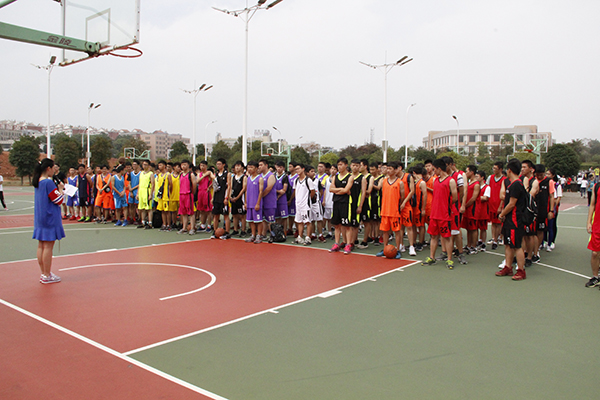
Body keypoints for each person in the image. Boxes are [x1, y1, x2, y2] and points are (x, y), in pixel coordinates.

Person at [32, 158, 65, 284]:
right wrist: (61, 189)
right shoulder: (48, 183)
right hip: (50, 217)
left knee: (41, 245)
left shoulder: (38, 182)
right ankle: (46, 274)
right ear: (48, 168)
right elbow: (58, 200)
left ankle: (44, 273)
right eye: (53, 168)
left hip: (40, 217)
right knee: (48, 246)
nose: (54, 170)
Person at [422, 158, 458, 269]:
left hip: (445, 214)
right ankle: (432, 257)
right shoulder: (435, 180)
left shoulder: (451, 181)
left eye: (434, 169)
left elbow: (455, 197)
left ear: (439, 168)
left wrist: (445, 205)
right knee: (434, 236)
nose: (433, 171)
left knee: (447, 237)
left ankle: (449, 259)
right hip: (434, 214)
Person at [496, 160, 528, 280]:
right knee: (508, 244)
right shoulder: (512, 184)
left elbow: (511, 204)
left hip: (515, 220)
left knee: (517, 246)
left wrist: (502, 214)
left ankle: (521, 270)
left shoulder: (516, 185)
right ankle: (508, 267)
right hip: (509, 220)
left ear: (509, 170)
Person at [376, 161, 403, 259]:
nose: (388, 170)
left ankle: (398, 249)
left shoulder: (399, 182)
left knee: (397, 231)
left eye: (390, 168)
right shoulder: (384, 181)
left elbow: (402, 196)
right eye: (387, 168)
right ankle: (385, 249)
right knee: (385, 231)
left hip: (395, 211)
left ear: (395, 170)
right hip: (385, 210)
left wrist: (398, 206)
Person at [328, 158, 354, 254]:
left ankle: (348, 244)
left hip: (345, 203)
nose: (339, 166)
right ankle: (336, 244)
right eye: (338, 164)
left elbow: (346, 189)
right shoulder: (335, 177)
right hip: (336, 202)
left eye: (341, 164)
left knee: (347, 225)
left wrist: (338, 190)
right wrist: (341, 190)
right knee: (336, 225)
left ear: (346, 165)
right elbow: (331, 189)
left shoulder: (350, 177)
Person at [293, 163, 316, 245]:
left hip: (305, 205)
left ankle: (308, 238)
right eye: (296, 169)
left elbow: (312, 191)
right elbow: (295, 191)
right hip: (298, 204)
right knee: (299, 221)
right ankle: (300, 237)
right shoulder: (296, 180)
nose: (297, 170)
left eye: (298, 168)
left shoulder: (308, 180)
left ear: (303, 169)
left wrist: (308, 199)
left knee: (308, 221)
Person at [460, 165, 480, 254]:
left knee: (473, 228)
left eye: (467, 171)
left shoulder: (476, 184)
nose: (465, 173)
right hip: (467, 209)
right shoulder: (468, 182)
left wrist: (465, 205)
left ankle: (474, 246)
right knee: (468, 228)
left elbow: (473, 198)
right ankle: (468, 245)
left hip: (473, 209)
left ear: (472, 172)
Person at [487, 161, 505, 249]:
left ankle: (500, 237)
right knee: (493, 222)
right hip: (491, 203)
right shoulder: (490, 178)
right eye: (493, 168)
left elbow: (504, 194)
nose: (494, 170)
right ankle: (494, 237)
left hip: (499, 203)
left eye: (495, 168)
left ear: (500, 169)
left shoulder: (504, 180)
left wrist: (501, 206)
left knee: (499, 222)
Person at [212, 158, 231, 239]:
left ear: (223, 164)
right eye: (217, 164)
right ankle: (215, 231)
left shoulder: (227, 174)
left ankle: (227, 232)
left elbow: (229, 186)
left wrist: (227, 197)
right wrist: (212, 197)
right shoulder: (216, 174)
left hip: (223, 196)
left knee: (225, 215)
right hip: (217, 197)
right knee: (216, 215)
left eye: (219, 164)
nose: (218, 165)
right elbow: (214, 186)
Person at [245, 161, 264, 243]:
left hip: (256, 203)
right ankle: (253, 235)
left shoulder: (260, 178)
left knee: (258, 221)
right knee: (251, 220)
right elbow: (246, 191)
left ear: (256, 168)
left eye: (251, 167)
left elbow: (261, 191)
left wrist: (258, 203)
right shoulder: (248, 178)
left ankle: (259, 235)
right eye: (248, 167)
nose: (249, 169)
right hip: (249, 203)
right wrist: (246, 202)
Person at [585, 180, 600, 288]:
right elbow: (592, 205)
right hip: (597, 225)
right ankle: (595, 277)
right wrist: (589, 222)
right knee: (595, 253)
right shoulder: (596, 186)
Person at [259, 159, 277, 243]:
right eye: (259, 165)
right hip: (262, 201)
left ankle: (272, 235)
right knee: (263, 219)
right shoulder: (260, 176)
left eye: (261, 165)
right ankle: (263, 234)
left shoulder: (271, 175)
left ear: (266, 165)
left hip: (270, 201)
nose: (259, 167)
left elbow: (269, 188)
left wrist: (261, 195)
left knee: (270, 220)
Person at [178, 159, 197, 235]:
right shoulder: (180, 175)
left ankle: (192, 228)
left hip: (188, 194)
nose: (183, 166)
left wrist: (192, 193)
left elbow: (194, 185)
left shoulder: (191, 175)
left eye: (185, 164)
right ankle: (184, 228)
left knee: (191, 212)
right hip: (181, 194)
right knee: (183, 213)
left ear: (188, 165)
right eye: (182, 165)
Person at [545, 168, 562, 251]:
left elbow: (558, 197)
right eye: (546, 174)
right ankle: (544, 241)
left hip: (553, 208)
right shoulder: (545, 183)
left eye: (549, 174)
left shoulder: (557, 185)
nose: (547, 175)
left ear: (553, 175)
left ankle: (551, 242)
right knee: (544, 225)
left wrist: (553, 206)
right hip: (545, 207)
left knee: (552, 225)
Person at [154, 160, 173, 231]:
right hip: (161, 196)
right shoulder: (159, 175)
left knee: (167, 211)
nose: (159, 167)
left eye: (161, 165)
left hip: (166, 196)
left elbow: (171, 185)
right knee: (162, 211)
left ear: (164, 166)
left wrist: (169, 193)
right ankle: (164, 224)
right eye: (159, 165)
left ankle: (168, 224)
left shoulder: (168, 175)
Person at [474, 170, 490, 251]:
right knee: (475, 227)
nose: (476, 178)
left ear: (482, 177)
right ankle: (476, 242)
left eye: (477, 176)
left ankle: (483, 243)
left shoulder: (487, 187)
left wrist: (475, 197)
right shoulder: (475, 186)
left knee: (483, 228)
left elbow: (485, 198)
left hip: (483, 210)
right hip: (476, 210)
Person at [137, 160, 155, 229]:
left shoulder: (151, 174)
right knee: (142, 208)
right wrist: (138, 193)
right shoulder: (141, 173)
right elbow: (139, 183)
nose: (144, 166)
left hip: (147, 191)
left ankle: (150, 223)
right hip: (141, 191)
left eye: (146, 165)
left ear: (149, 166)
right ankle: (143, 222)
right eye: (143, 164)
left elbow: (153, 184)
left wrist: (151, 194)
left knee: (149, 208)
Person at [274, 161, 289, 234]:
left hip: (282, 200)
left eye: (280, 167)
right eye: (277, 167)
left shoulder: (285, 177)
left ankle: (284, 231)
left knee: (284, 217)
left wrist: (277, 194)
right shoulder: (273, 175)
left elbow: (284, 190)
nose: (279, 169)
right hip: (274, 199)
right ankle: (277, 231)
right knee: (276, 217)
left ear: (283, 168)